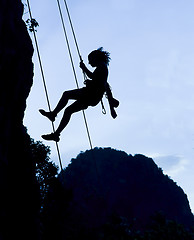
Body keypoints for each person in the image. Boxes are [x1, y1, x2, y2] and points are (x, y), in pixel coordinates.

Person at [39, 47, 119, 142]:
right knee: (68, 111)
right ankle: (56, 134)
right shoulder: (103, 68)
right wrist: (111, 109)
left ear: (95, 58)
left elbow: (97, 80)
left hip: (90, 95)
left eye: (90, 60)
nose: (89, 63)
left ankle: (53, 114)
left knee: (66, 94)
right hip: (92, 98)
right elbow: (102, 84)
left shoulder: (102, 66)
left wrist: (84, 67)